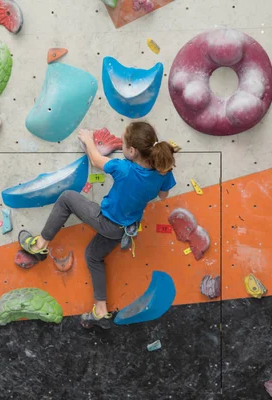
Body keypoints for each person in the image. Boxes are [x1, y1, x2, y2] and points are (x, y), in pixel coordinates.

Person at [18, 121, 178, 329]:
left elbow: (95, 159)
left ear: (132, 151)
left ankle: (39, 245)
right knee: (93, 256)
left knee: (67, 198)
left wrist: (87, 139)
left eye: (123, 143)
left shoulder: (124, 168)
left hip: (107, 221)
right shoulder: (162, 171)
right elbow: (163, 195)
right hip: (125, 227)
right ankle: (101, 311)